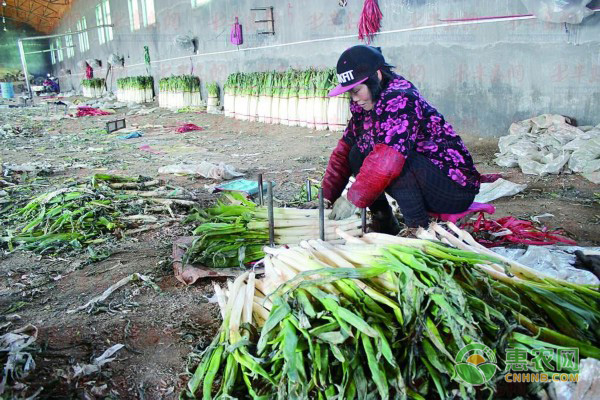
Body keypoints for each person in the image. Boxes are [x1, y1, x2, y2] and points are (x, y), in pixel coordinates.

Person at [322, 45, 480, 234]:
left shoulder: (401, 99)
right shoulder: (365, 103)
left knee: (397, 160)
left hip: (452, 188)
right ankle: (384, 222)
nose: (354, 98)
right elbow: (345, 149)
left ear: (377, 76)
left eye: (356, 90)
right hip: (422, 180)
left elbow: (389, 160)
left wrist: (352, 198)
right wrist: (326, 196)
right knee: (357, 153)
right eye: (350, 93)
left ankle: (418, 231)